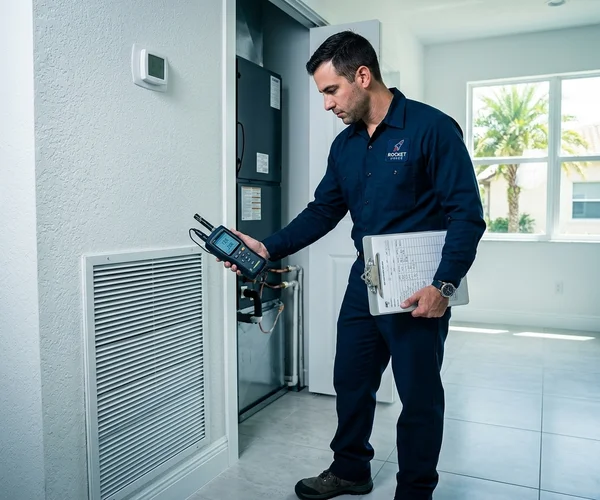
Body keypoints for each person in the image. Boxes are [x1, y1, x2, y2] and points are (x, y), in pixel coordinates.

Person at [222, 31, 486, 500]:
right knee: (350, 377)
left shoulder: (431, 129)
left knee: (419, 396)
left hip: (416, 287)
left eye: (331, 90)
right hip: (366, 280)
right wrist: (267, 248)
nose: (327, 104)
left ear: (362, 76)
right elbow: (323, 210)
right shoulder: (345, 146)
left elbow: (467, 215)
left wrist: (443, 286)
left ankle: (416, 489)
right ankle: (351, 469)